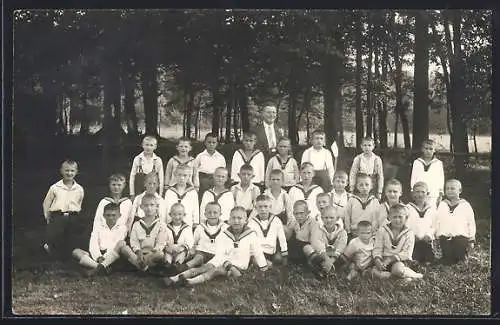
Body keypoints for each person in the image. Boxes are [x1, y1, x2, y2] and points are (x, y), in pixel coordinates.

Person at [163, 206, 268, 287]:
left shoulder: (251, 234)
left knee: (215, 271)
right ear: (229, 219)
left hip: (239, 266)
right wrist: (215, 263)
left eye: (240, 218)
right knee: (204, 267)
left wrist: (263, 268)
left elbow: (258, 252)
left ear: (245, 220)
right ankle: (175, 278)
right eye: (233, 218)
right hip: (224, 261)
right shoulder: (225, 233)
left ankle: (189, 282)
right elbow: (220, 254)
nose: (236, 221)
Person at [42, 159, 85, 258]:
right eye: (67, 170)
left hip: (72, 216)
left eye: (72, 171)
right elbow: (46, 203)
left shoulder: (79, 189)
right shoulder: (55, 187)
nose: (69, 173)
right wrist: (47, 217)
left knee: (70, 237)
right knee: (56, 237)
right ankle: (52, 251)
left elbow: (79, 202)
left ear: (76, 172)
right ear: (61, 171)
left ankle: (67, 255)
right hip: (58, 216)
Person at [117, 194, 169, 272]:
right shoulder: (137, 224)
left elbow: (160, 243)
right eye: (146, 205)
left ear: (157, 206)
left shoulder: (161, 224)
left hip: (153, 254)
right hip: (140, 254)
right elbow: (134, 242)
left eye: (152, 205)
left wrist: (150, 253)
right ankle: (144, 267)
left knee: (160, 254)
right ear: (141, 207)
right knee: (124, 248)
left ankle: (141, 266)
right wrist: (138, 252)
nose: (149, 208)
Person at [72, 202, 126, 277]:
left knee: (121, 243)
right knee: (76, 252)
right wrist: (98, 257)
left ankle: (98, 268)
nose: (110, 218)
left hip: (112, 256)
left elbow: (114, 245)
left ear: (119, 216)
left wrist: (105, 257)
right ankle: (100, 267)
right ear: (103, 215)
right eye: (108, 215)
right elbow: (93, 243)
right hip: (98, 255)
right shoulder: (98, 227)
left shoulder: (122, 228)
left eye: (114, 215)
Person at [372, 204, 423, 281]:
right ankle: (399, 278)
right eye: (394, 217)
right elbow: (377, 248)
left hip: (400, 261)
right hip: (384, 261)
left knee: (397, 270)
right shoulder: (382, 230)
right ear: (389, 217)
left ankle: (415, 276)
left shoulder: (409, 233)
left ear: (406, 218)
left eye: (400, 217)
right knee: (374, 271)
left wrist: (390, 259)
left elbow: (407, 253)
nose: (397, 220)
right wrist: (377, 260)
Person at [174, 202, 228, 273]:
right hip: (202, 252)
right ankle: (180, 268)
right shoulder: (200, 227)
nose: (212, 215)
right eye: (209, 212)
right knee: (197, 259)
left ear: (220, 214)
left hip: (217, 254)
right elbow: (195, 242)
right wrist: (191, 251)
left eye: (215, 212)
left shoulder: (225, 228)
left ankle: (190, 273)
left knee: (208, 266)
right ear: (205, 214)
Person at [434, 179, 476, 265]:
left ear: (460, 190)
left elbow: (470, 222)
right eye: (447, 188)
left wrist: (471, 238)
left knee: (460, 259)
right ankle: (447, 259)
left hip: (460, 238)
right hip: (445, 237)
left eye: (452, 188)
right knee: (447, 260)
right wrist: (437, 233)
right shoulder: (442, 204)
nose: (449, 191)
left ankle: (462, 258)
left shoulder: (465, 205)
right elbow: (437, 220)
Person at [304, 206, 347, 279]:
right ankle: (324, 269)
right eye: (326, 218)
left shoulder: (342, 232)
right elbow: (317, 243)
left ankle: (328, 270)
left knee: (346, 253)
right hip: (322, 255)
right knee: (307, 248)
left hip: (335, 256)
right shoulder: (318, 229)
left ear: (337, 218)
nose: (328, 220)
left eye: (331, 218)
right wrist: (326, 259)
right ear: (322, 218)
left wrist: (331, 261)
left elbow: (341, 246)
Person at [247, 195, 288, 267]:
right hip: (259, 252)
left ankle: (268, 265)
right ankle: (269, 266)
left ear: (270, 207)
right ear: (256, 208)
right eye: (260, 207)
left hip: (272, 251)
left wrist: (284, 253)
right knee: (255, 261)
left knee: (279, 259)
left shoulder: (276, 220)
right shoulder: (252, 223)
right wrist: (252, 255)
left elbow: (282, 238)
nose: (263, 209)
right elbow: (250, 241)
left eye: (265, 206)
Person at [406, 182, 437, 265]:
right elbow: (406, 225)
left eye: (423, 192)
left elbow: (434, 225)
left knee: (428, 258)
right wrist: (412, 236)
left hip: (426, 240)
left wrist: (429, 235)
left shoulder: (431, 209)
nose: (420, 195)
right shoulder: (408, 208)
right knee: (415, 257)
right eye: (417, 192)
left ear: (427, 194)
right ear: (412, 194)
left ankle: (427, 260)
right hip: (413, 240)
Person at [343, 173, 380, 242]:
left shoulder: (375, 201)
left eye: (367, 184)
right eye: (361, 185)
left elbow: (376, 218)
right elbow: (347, 215)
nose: (364, 187)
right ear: (357, 186)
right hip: (355, 232)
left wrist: (374, 232)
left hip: (369, 233)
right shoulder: (352, 200)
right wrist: (348, 230)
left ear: (371, 186)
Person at [259, 169, 294, 238]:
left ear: (282, 182)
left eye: (278, 180)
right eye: (273, 179)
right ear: (269, 181)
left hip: (281, 224)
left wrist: (289, 227)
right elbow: (257, 210)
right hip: (267, 223)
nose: (275, 182)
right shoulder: (265, 195)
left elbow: (290, 213)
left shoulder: (285, 196)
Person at [410, 139, 445, 207]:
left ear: (434, 150)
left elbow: (441, 178)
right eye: (426, 148)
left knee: (432, 211)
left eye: (431, 149)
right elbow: (413, 177)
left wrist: (440, 193)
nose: (428, 151)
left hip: (433, 193)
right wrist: (412, 190)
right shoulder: (417, 162)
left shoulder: (438, 163)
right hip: (419, 193)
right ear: (422, 149)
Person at [129, 135, 164, 200]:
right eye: (146, 145)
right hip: (139, 191)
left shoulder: (157, 160)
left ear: (155, 147)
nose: (148, 147)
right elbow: (132, 177)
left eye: (151, 145)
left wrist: (160, 194)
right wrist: (132, 193)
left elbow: (161, 179)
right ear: (142, 145)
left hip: (153, 191)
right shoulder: (137, 159)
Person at [194, 133, 226, 200]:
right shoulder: (200, 156)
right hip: (203, 181)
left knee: (214, 198)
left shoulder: (220, 157)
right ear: (205, 143)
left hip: (216, 181)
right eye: (209, 142)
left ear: (217, 143)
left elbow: (223, 172)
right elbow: (195, 171)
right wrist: (196, 184)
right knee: (203, 199)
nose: (211, 144)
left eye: (214, 142)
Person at [287, 200, 319, 265]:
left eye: (301, 213)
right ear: (293, 213)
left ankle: (315, 264)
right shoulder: (294, 222)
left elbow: (314, 241)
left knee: (308, 248)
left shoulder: (313, 223)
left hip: (307, 248)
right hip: (296, 247)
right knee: (285, 230)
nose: (299, 216)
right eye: (296, 213)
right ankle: (286, 262)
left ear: (308, 212)